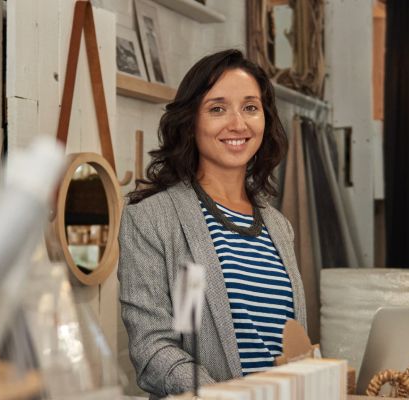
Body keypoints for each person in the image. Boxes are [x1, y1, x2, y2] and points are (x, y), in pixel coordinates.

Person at [118, 49, 305, 397]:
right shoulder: (151, 218)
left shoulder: (279, 226)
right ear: (190, 121)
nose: (238, 124)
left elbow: (289, 344)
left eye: (250, 107)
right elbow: (153, 348)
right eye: (217, 109)